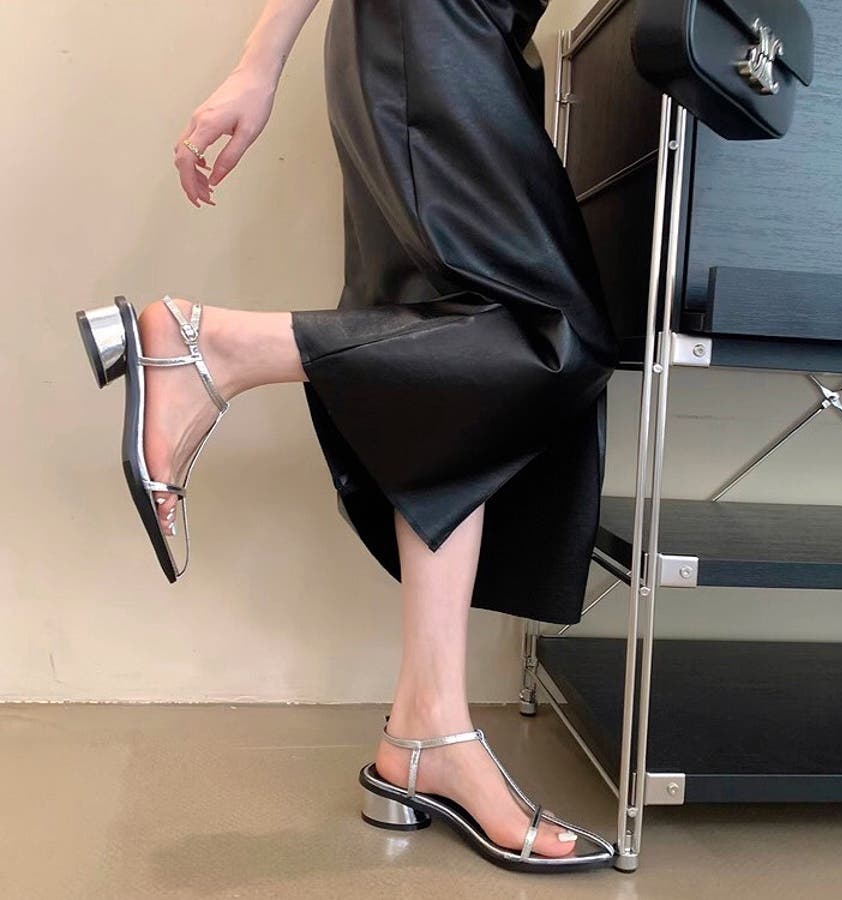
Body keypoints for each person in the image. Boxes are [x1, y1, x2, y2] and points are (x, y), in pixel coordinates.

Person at [77, 0, 618, 871]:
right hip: (434, 28)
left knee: (449, 392)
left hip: (469, 39)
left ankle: (427, 732)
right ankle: (211, 346)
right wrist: (259, 61)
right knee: (553, 337)